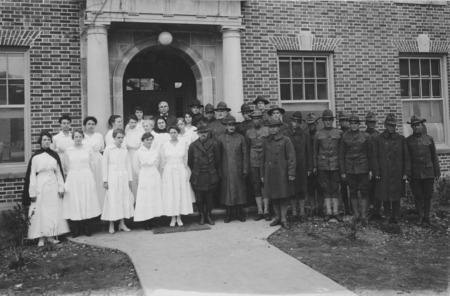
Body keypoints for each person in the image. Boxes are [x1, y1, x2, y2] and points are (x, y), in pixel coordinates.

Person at [24, 131, 70, 246]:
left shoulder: (54, 155)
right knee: (40, 211)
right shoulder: (35, 157)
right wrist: (32, 192)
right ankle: (41, 237)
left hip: (53, 185)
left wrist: (61, 188)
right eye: (44, 140)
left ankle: (51, 235)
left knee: (52, 210)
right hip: (40, 185)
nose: (46, 142)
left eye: (48, 140)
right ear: (40, 141)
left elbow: (59, 173)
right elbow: (32, 176)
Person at [372, 114, 410, 224]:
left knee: (396, 194)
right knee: (385, 194)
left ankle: (396, 216)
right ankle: (387, 216)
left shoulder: (401, 139)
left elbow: (406, 157)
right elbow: (375, 156)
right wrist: (377, 171)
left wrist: (406, 172)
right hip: (383, 171)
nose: (392, 128)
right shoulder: (378, 139)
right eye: (389, 125)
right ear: (385, 125)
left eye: (394, 125)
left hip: (397, 171)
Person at [63, 130, 101, 237]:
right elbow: (66, 166)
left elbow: (92, 164)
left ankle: (87, 227)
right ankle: (76, 228)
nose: (78, 138)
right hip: (73, 176)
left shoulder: (88, 149)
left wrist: (92, 178)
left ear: (83, 138)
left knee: (86, 200)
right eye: (76, 137)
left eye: (80, 136)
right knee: (75, 200)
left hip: (86, 175)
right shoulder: (68, 150)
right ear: (73, 138)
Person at [261, 118, 296, 230]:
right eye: (270, 127)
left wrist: (291, 172)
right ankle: (277, 217)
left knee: (283, 196)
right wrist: (262, 174)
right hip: (270, 172)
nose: (272, 129)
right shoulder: (266, 140)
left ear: (279, 127)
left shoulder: (286, 140)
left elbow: (291, 157)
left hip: (282, 172)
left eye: (275, 127)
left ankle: (284, 219)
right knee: (274, 196)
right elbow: (263, 158)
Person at [406, 115, 440, 225]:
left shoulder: (429, 139)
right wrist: (408, 173)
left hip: (428, 172)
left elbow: (434, 156)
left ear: (422, 126)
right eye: (414, 126)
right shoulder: (408, 141)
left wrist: (437, 172)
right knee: (417, 195)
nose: (416, 127)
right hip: (415, 173)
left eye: (418, 125)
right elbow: (407, 159)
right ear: (412, 127)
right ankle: (420, 216)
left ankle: (427, 216)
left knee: (427, 195)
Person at [339, 114, 372, 225]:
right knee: (352, 191)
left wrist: (371, 170)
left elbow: (370, 154)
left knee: (364, 191)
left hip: (363, 168)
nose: (353, 125)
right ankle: (356, 214)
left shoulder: (366, 136)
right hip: (350, 169)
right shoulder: (344, 136)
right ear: (349, 124)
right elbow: (341, 155)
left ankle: (363, 215)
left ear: (359, 124)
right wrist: (343, 171)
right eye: (351, 123)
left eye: (355, 123)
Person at [102, 129, 134, 234]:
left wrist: (129, 179)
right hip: (112, 177)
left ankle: (122, 223)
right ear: (114, 138)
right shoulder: (109, 149)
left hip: (123, 177)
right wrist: (105, 180)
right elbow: (104, 165)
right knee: (113, 199)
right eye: (118, 137)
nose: (120, 139)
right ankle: (111, 224)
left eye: (122, 137)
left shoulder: (124, 149)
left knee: (123, 199)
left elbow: (128, 164)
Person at [217, 115, 249, 223]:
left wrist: (245, 169)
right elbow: (218, 156)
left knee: (239, 191)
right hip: (226, 168)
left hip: (238, 168)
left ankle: (239, 213)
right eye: (229, 125)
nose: (231, 127)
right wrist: (219, 170)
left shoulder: (241, 138)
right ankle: (228, 214)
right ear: (226, 126)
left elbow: (245, 154)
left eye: (233, 125)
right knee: (227, 191)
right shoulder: (220, 138)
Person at [161, 126, 194, 227]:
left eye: (175, 132)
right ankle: (172, 217)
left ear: (178, 133)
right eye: (171, 132)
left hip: (180, 169)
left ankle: (179, 216)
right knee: (171, 193)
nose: (173, 134)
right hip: (169, 170)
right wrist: (165, 173)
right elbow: (163, 161)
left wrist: (184, 171)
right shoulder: (164, 145)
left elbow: (185, 159)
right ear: (169, 134)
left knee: (180, 192)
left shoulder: (183, 144)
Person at [188, 124, 221, 225]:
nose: (203, 134)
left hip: (210, 174)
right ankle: (201, 215)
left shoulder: (214, 144)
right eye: (201, 132)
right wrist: (197, 170)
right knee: (199, 197)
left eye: (205, 132)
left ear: (208, 133)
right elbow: (190, 162)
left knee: (209, 197)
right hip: (198, 175)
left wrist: (212, 170)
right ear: (197, 133)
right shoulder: (193, 145)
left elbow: (217, 160)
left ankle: (208, 215)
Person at [313, 110, 342, 222]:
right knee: (325, 188)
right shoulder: (318, 134)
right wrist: (315, 166)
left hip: (335, 164)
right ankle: (328, 212)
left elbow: (341, 150)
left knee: (335, 188)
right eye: (326, 120)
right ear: (323, 121)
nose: (328, 122)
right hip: (323, 165)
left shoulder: (339, 133)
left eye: (330, 120)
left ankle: (336, 211)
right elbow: (315, 152)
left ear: (333, 121)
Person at [284, 111, 312, 222]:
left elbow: (308, 152)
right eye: (293, 121)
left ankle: (302, 211)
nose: (295, 123)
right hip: (290, 166)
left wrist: (309, 167)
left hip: (302, 166)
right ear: (290, 121)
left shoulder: (305, 135)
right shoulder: (286, 134)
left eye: (297, 122)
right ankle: (294, 212)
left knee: (301, 189)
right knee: (292, 189)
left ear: (300, 123)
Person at [133, 132, 164, 230]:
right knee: (145, 198)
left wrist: (154, 173)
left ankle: (153, 220)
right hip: (144, 175)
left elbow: (158, 163)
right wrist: (141, 176)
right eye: (147, 140)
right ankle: (146, 221)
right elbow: (135, 167)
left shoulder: (155, 151)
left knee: (154, 197)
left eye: (151, 139)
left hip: (154, 174)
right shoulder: (138, 152)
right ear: (143, 141)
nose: (149, 141)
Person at [245, 110, 270, 221]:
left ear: (262, 119)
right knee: (256, 185)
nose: (256, 120)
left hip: (264, 161)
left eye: (258, 118)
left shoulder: (267, 130)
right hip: (253, 161)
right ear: (252, 120)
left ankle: (267, 210)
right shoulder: (248, 132)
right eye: (254, 118)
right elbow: (247, 147)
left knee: (266, 185)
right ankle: (259, 210)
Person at [82, 116, 106, 208]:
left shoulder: (99, 136)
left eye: (93, 124)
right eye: (88, 124)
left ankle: (101, 205)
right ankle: (90, 207)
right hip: (86, 160)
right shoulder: (82, 136)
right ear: (85, 125)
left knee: (99, 181)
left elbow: (102, 149)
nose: (91, 126)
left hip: (98, 159)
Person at [364, 111, 382, 220]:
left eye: (373, 122)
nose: (371, 124)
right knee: (367, 189)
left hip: (377, 167)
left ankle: (377, 211)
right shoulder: (363, 135)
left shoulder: (379, 136)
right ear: (366, 123)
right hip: (366, 166)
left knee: (378, 189)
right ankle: (368, 211)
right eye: (369, 122)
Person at [305, 113, 323, 217]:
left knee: (320, 188)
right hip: (309, 166)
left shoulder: (320, 135)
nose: (311, 126)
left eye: (313, 124)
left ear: (316, 123)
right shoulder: (306, 136)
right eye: (309, 124)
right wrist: (309, 167)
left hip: (320, 165)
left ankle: (320, 208)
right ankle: (312, 208)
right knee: (310, 188)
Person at [124, 114, 144, 198]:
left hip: (138, 153)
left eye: (135, 122)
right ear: (128, 122)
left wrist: (133, 145)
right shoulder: (127, 131)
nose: (133, 124)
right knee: (130, 174)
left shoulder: (140, 131)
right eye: (131, 122)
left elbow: (139, 144)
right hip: (129, 154)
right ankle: (132, 197)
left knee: (137, 174)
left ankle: (140, 197)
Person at [338, 111, 351, 215]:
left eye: (346, 120)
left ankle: (352, 208)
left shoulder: (351, 132)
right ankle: (346, 208)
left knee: (352, 187)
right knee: (343, 188)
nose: (344, 122)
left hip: (351, 162)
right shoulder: (338, 133)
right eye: (342, 120)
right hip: (341, 163)